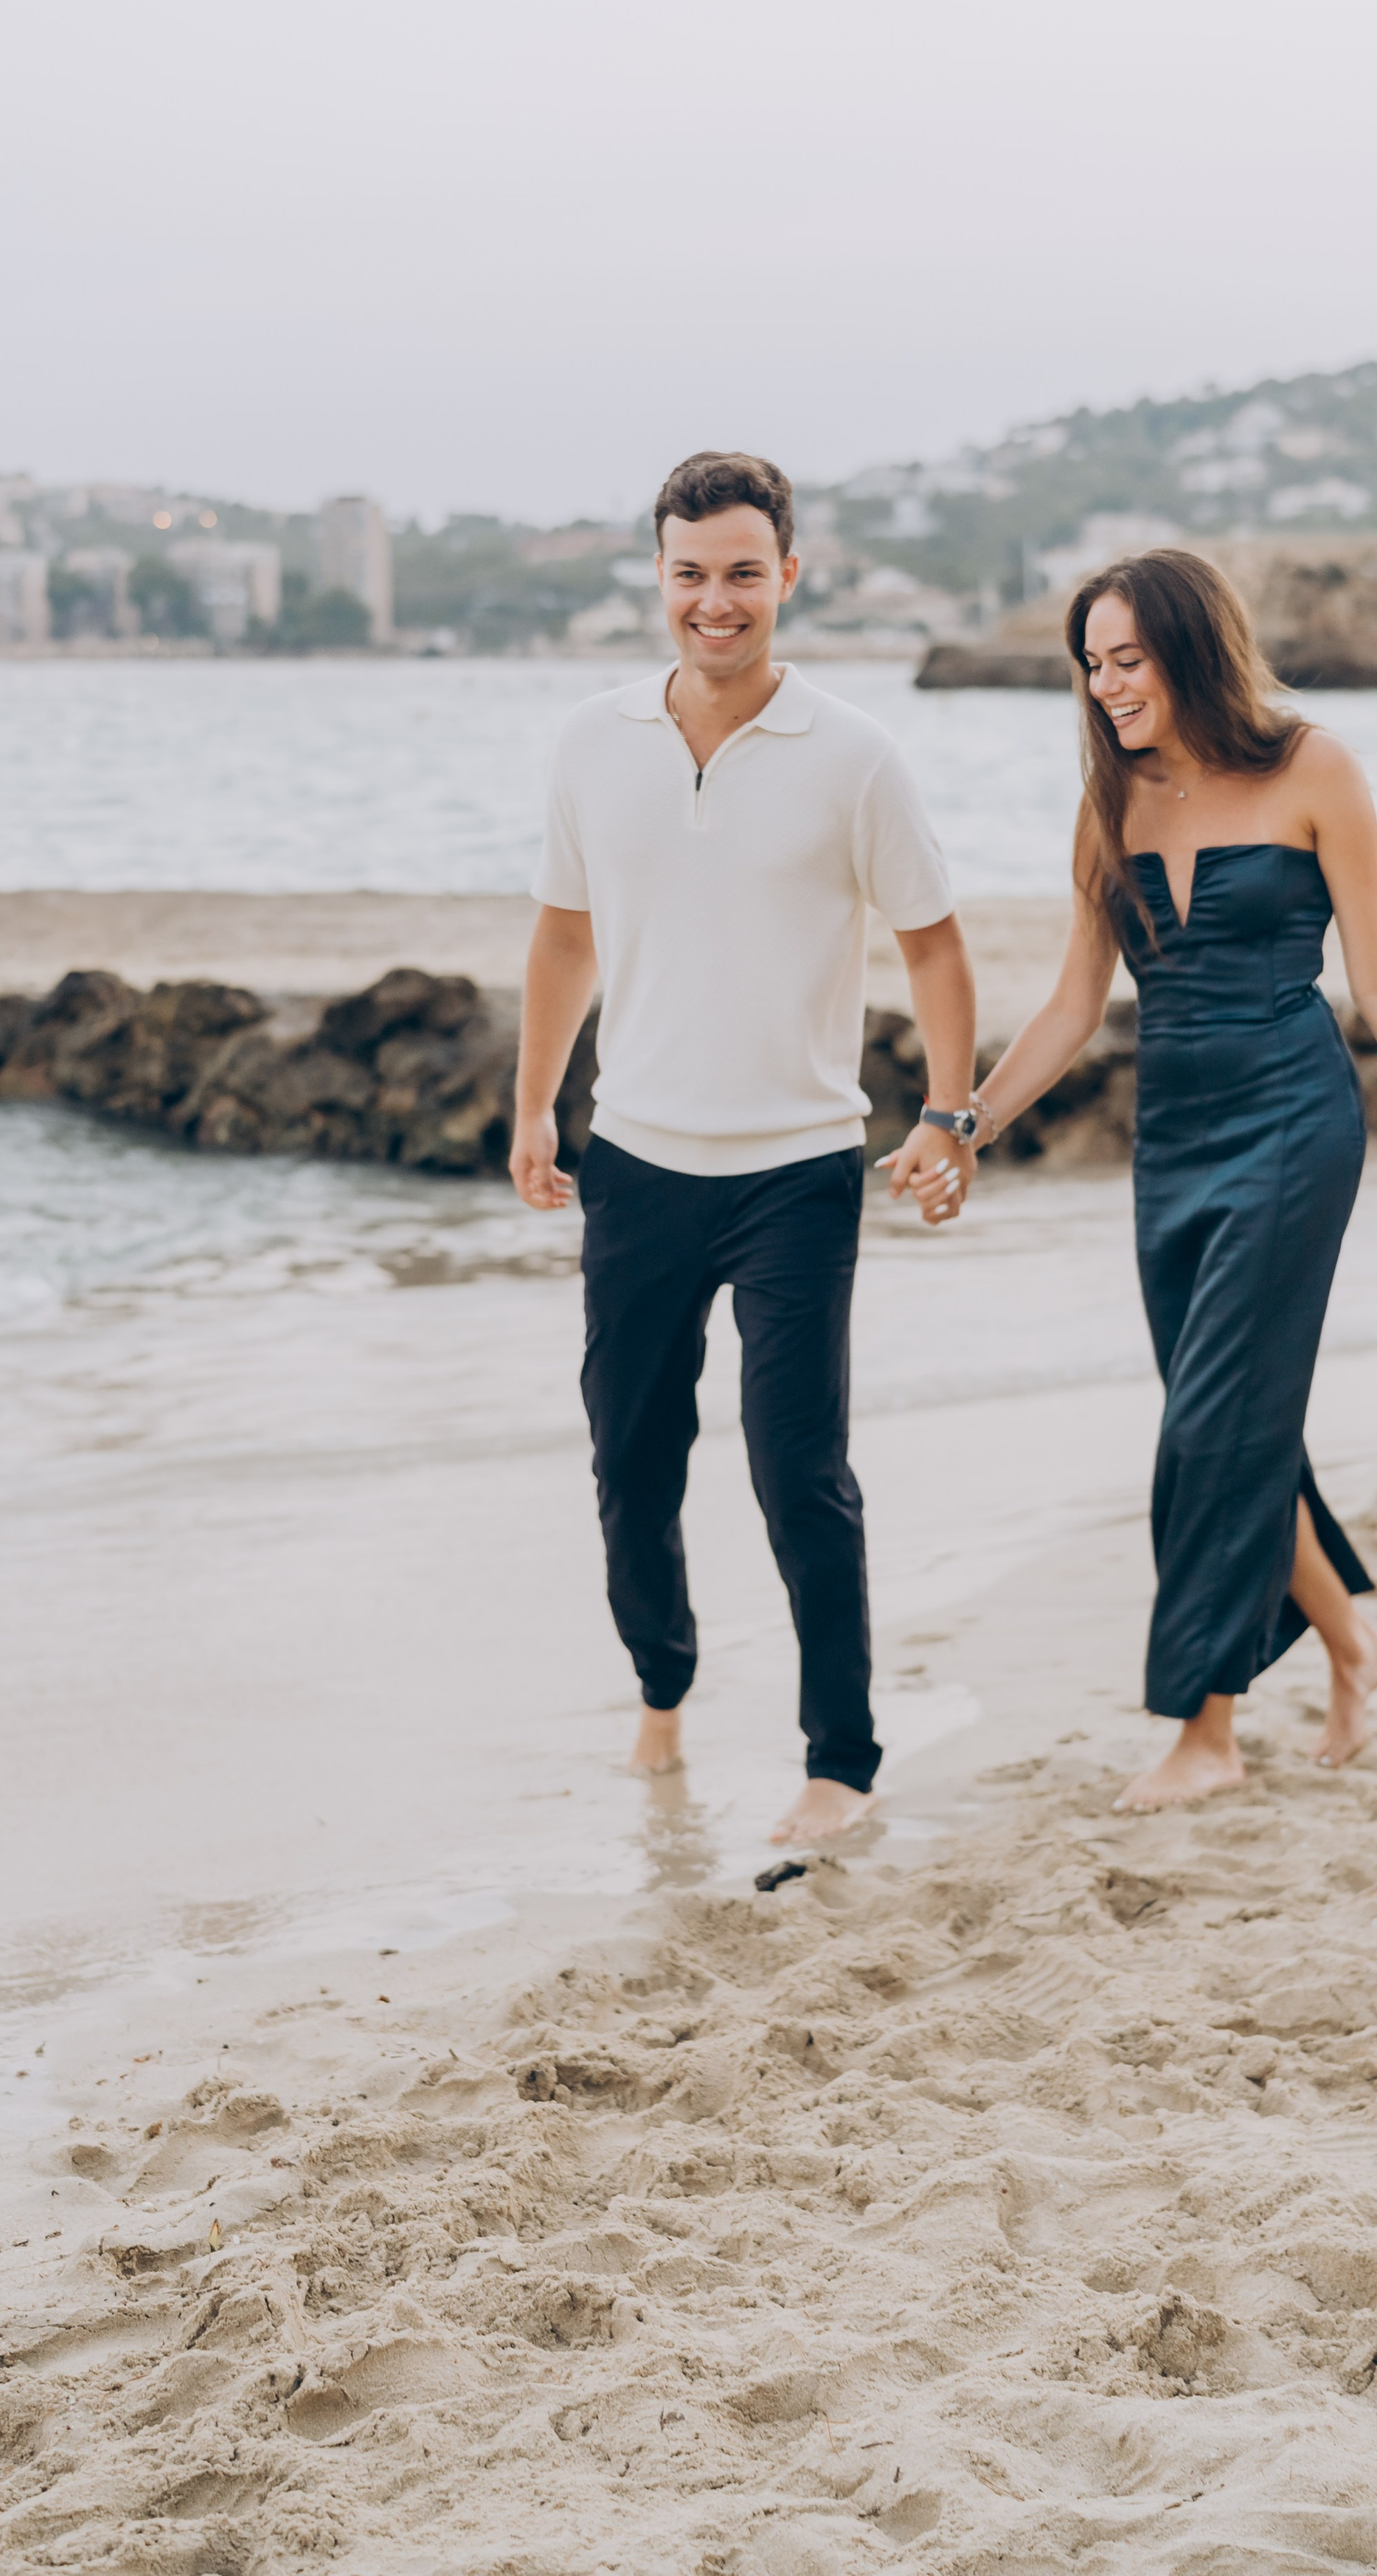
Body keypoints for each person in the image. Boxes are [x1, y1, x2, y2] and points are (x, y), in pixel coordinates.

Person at [967, 549, 1377, 1811]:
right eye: (1092, 666)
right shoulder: (1107, 804)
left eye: (1130, 660)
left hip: (1290, 1120)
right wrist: (967, 1121)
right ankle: (1355, 1643)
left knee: (1209, 1425)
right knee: (1233, 1418)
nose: (1108, 688)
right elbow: (1071, 1005)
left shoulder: (1313, 769)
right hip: (1172, 1139)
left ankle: (1204, 1730)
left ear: (1191, 649)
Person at [510, 451, 976, 1843]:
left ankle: (842, 1763)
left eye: (744, 574)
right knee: (629, 1463)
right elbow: (564, 934)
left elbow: (936, 947)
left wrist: (950, 1112)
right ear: (658, 575)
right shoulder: (592, 742)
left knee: (798, 1471)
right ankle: (662, 1685)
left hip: (796, 1169)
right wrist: (536, 1102)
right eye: (692, 574)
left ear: (789, 575)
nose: (718, 602)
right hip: (639, 1164)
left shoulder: (856, 757)